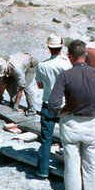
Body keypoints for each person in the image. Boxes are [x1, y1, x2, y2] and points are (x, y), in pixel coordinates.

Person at [48, 40, 95, 190]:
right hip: (92, 124)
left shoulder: (65, 75)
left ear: (69, 56)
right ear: (85, 55)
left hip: (71, 125)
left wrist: (63, 110)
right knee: (93, 166)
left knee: (72, 166)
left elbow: (53, 104)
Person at [33, 34, 72, 179]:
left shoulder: (42, 65)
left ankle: (42, 171)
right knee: (67, 139)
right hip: (64, 105)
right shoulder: (67, 64)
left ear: (48, 47)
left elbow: (40, 85)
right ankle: (69, 172)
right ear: (61, 46)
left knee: (46, 139)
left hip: (48, 104)